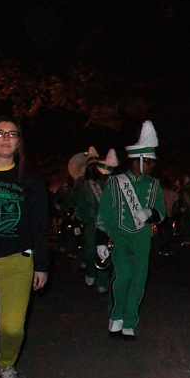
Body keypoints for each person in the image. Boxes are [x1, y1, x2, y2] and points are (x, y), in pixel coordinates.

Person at [96, 121, 166, 341]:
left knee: (138, 280)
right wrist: (100, 240)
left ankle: (129, 322)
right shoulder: (116, 182)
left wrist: (150, 212)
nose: (154, 166)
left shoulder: (154, 185)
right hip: (120, 237)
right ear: (140, 160)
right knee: (123, 276)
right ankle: (115, 317)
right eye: (151, 162)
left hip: (142, 239)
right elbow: (104, 212)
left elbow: (162, 212)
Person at [0, 117, 48, 378]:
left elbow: (40, 225)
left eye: (12, 134)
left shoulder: (30, 182)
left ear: (18, 143)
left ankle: (7, 366)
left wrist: (42, 265)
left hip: (17, 261)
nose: (5, 138)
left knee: (13, 326)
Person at [72, 147, 116, 292]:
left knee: (106, 253)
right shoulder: (84, 184)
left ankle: (102, 282)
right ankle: (91, 271)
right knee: (91, 251)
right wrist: (77, 220)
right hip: (92, 223)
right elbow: (80, 203)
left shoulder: (110, 183)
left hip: (108, 224)